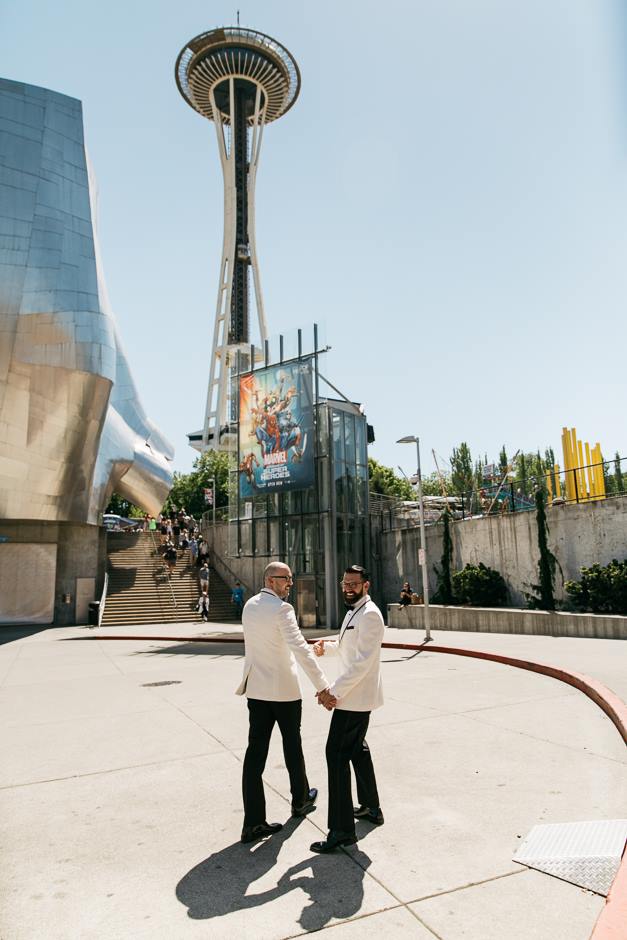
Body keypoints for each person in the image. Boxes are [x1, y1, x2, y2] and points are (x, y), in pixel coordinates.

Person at [235, 562, 336, 844]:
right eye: (286, 579)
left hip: (257, 690)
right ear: (270, 579)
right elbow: (299, 650)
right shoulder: (282, 609)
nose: (290, 583)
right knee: (292, 745)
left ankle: (252, 823)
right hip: (283, 692)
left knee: (255, 753)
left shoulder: (250, 606)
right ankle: (301, 800)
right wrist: (323, 687)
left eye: (291, 579)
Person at [311, 564, 385, 854]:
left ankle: (341, 831)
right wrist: (326, 647)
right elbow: (348, 646)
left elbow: (363, 661)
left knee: (336, 756)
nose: (348, 588)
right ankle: (371, 808)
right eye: (345, 583)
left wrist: (333, 692)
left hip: (354, 699)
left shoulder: (370, 615)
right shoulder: (355, 611)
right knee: (356, 749)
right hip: (354, 697)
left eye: (354, 584)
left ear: (366, 586)